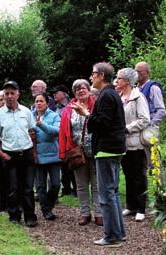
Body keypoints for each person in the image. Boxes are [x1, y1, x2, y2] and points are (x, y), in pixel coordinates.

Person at [73, 62, 126, 247]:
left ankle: (112, 236)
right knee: (113, 192)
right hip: (114, 148)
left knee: (106, 194)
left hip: (106, 149)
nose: (91, 77)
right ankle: (119, 232)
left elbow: (101, 124)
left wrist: (86, 114)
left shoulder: (105, 96)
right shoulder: (112, 94)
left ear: (102, 75)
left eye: (93, 74)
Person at [0, 81, 38, 227]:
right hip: (9, 155)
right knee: (13, 187)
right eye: (7, 94)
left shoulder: (26, 112)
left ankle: (30, 216)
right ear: (4, 96)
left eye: (12, 93)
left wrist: (34, 152)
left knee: (28, 187)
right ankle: (14, 215)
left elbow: (32, 132)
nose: (9, 96)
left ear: (18, 94)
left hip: (27, 152)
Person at [59, 79, 102, 226]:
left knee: (97, 185)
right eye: (77, 89)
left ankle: (99, 213)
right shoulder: (68, 109)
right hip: (77, 151)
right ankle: (85, 213)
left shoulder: (96, 105)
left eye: (83, 88)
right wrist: (65, 150)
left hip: (95, 150)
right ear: (74, 93)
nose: (81, 91)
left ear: (89, 90)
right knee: (81, 185)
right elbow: (64, 132)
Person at [116, 68, 150, 222]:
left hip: (136, 143)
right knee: (128, 175)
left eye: (119, 78)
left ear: (128, 81)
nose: (117, 81)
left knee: (138, 176)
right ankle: (130, 206)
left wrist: (128, 128)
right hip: (123, 144)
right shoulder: (119, 97)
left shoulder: (138, 97)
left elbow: (145, 119)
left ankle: (141, 208)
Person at [33, 93, 61, 221]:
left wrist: (41, 125)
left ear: (47, 103)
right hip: (37, 154)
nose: (38, 103)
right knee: (40, 186)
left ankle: (48, 205)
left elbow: (56, 131)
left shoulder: (54, 115)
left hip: (53, 154)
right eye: (36, 101)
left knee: (56, 184)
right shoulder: (30, 115)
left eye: (41, 101)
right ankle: (46, 210)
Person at [135, 62, 166, 169]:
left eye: (139, 71)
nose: (137, 73)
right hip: (138, 129)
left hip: (148, 129)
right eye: (135, 71)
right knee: (142, 163)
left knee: (154, 161)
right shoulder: (136, 89)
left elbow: (161, 110)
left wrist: (151, 125)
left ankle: (160, 185)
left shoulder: (153, 88)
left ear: (147, 73)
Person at [52, 85, 77, 197]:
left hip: (71, 138)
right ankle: (66, 188)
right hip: (59, 139)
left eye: (56, 92)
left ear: (64, 94)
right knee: (63, 165)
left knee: (73, 163)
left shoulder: (72, 105)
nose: (54, 95)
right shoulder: (55, 107)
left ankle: (76, 189)